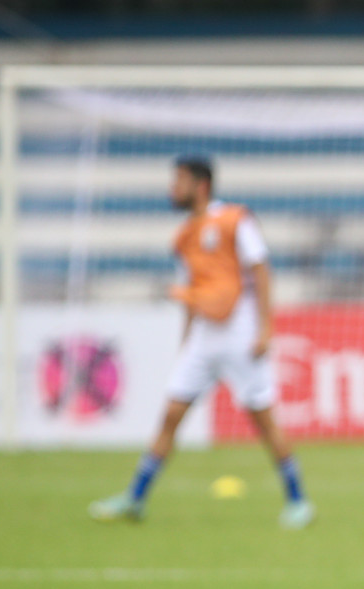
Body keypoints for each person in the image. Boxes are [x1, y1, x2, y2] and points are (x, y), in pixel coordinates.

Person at [88, 155, 313, 529]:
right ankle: (135, 498)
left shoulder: (235, 220)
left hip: (240, 333)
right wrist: (186, 342)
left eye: (179, 181)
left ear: (201, 185)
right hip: (204, 339)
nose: (171, 189)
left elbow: (260, 269)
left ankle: (298, 501)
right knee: (171, 415)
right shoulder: (184, 237)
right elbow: (192, 292)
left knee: (264, 420)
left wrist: (265, 329)